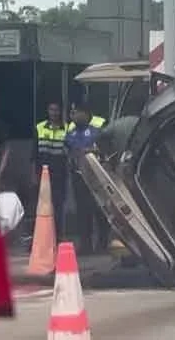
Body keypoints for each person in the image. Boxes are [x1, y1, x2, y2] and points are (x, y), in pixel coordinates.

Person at [64, 104, 109, 254]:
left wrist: (91, 150)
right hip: (79, 177)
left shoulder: (97, 133)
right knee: (83, 212)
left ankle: (102, 243)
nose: (74, 116)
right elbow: (71, 151)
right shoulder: (70, 135)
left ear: (86, 114)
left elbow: (104, 150)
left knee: (100, 210)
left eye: (77, 113)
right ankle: (85, 244)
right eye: (73, 113)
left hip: (96, 178)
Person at [34, 101, 69, 239]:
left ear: (60, 112)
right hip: (42, 173)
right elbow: (34, 153)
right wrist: (33, 174)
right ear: (48, 111)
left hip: (60, 173)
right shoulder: (40, 127)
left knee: (59, 204)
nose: (54, 113)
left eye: (56, 110)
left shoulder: (66, 128)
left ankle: (59, 235)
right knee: (42, 204)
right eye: (51, 110)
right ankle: (43, 236)